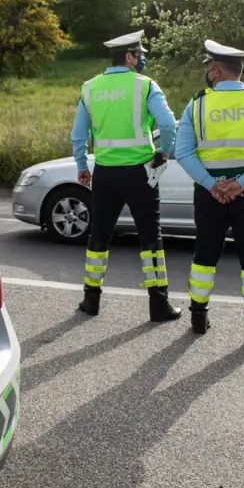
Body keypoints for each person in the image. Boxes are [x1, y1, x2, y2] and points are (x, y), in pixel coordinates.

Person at [175, 39, 244, 341]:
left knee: (205, 254)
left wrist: (213, 185)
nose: (207, 72)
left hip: (208, 194)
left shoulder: (197, 104)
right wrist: (241, 183)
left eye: (209, 67)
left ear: (218, 70)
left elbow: (183, 152)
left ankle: (198, 316)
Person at [70, 30, 183, 323]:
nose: (143, 59)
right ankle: (159, 305)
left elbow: (78, 135)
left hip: (105, 175)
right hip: (140, 174)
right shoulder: (144, 86)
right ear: (129, 57)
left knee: (99, 237)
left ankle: (90, 300)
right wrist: (164, 153)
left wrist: (82, 166)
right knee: (150, 238)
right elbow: (168, 124)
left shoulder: (90, 88)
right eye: (140, 55)